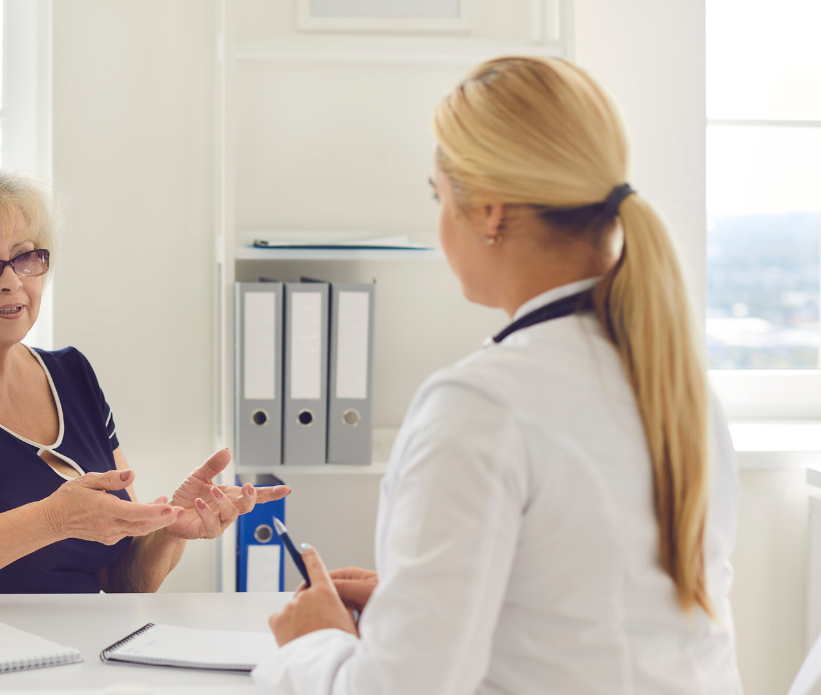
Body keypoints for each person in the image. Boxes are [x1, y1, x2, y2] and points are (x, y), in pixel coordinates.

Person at [253, 57, 740, 694]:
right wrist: (414, 608)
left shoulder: (479, 406)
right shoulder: (681, 387)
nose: (439, 218)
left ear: (488, 210)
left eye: (439, 195)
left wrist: (314, 642)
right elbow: (596, 618)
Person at [0, 160, 289, 612]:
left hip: (80, 659)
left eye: (27, 258)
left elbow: (122, 580)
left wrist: (169, 528)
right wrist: (51, 520)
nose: (12, 282)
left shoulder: (71, 375)